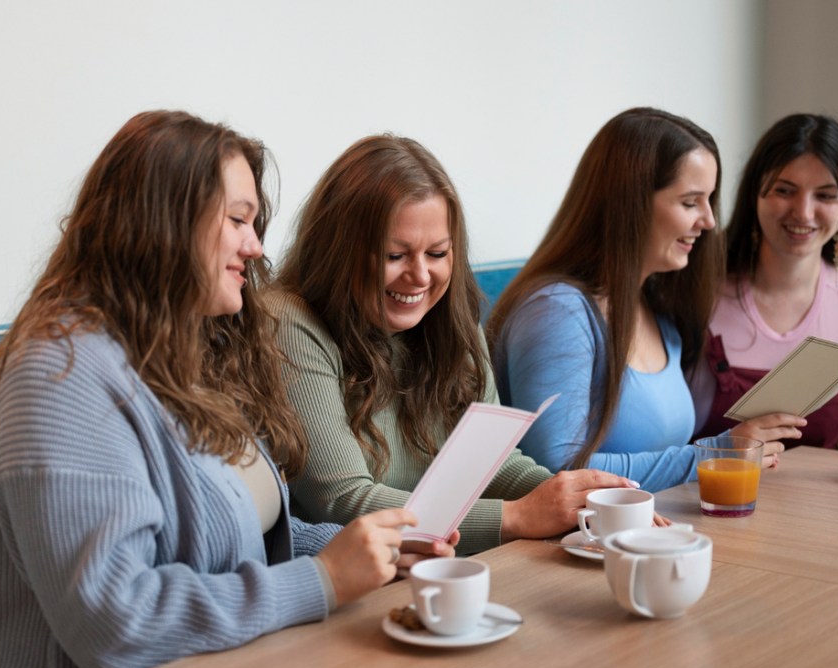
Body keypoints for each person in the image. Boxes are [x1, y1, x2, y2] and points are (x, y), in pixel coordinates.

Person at [0, 111, 454, 668]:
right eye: (238, 220)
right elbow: (120, 627)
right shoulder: (61, 381)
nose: (256, 245)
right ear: (161, 226)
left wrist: (374, 552)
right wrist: (320, 580)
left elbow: (234, 542)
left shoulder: (183, 358)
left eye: (254, 222)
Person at [270, 134, 650, 556]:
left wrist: (585, 503)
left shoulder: (448, 317)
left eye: (437, 253)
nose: (420, 276)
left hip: (441, 566)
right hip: (354, 585)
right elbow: (342, 503)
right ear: (338, 253)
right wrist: (518, 516)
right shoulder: (290, 322)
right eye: (395, 255)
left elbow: (494, 466)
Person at [487, 107, 804, 491]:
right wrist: (718, 453)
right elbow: (559, 470)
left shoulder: (654, 303)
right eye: (690, 202)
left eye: (709, 201)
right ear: (630, 204)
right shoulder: (558, 311)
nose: (709, 222)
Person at [689, 113, 838, 448]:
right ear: (754, 194)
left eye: (825, 195)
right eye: (784, 190)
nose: (803, 213)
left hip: (826, 504)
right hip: (707, 499)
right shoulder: (696, 292)